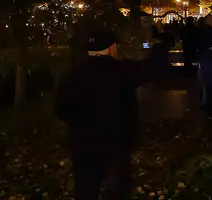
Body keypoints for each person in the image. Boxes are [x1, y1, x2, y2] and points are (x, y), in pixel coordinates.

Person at [56, 29, 169, 200]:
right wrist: (158, 47)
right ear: (111, 49)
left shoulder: (73, 75)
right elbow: (153, 69)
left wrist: (79, 124)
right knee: (117, 190)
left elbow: (61, 108)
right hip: (116, 143)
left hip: (84, 144)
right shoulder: (121, 71)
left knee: (85, 190)